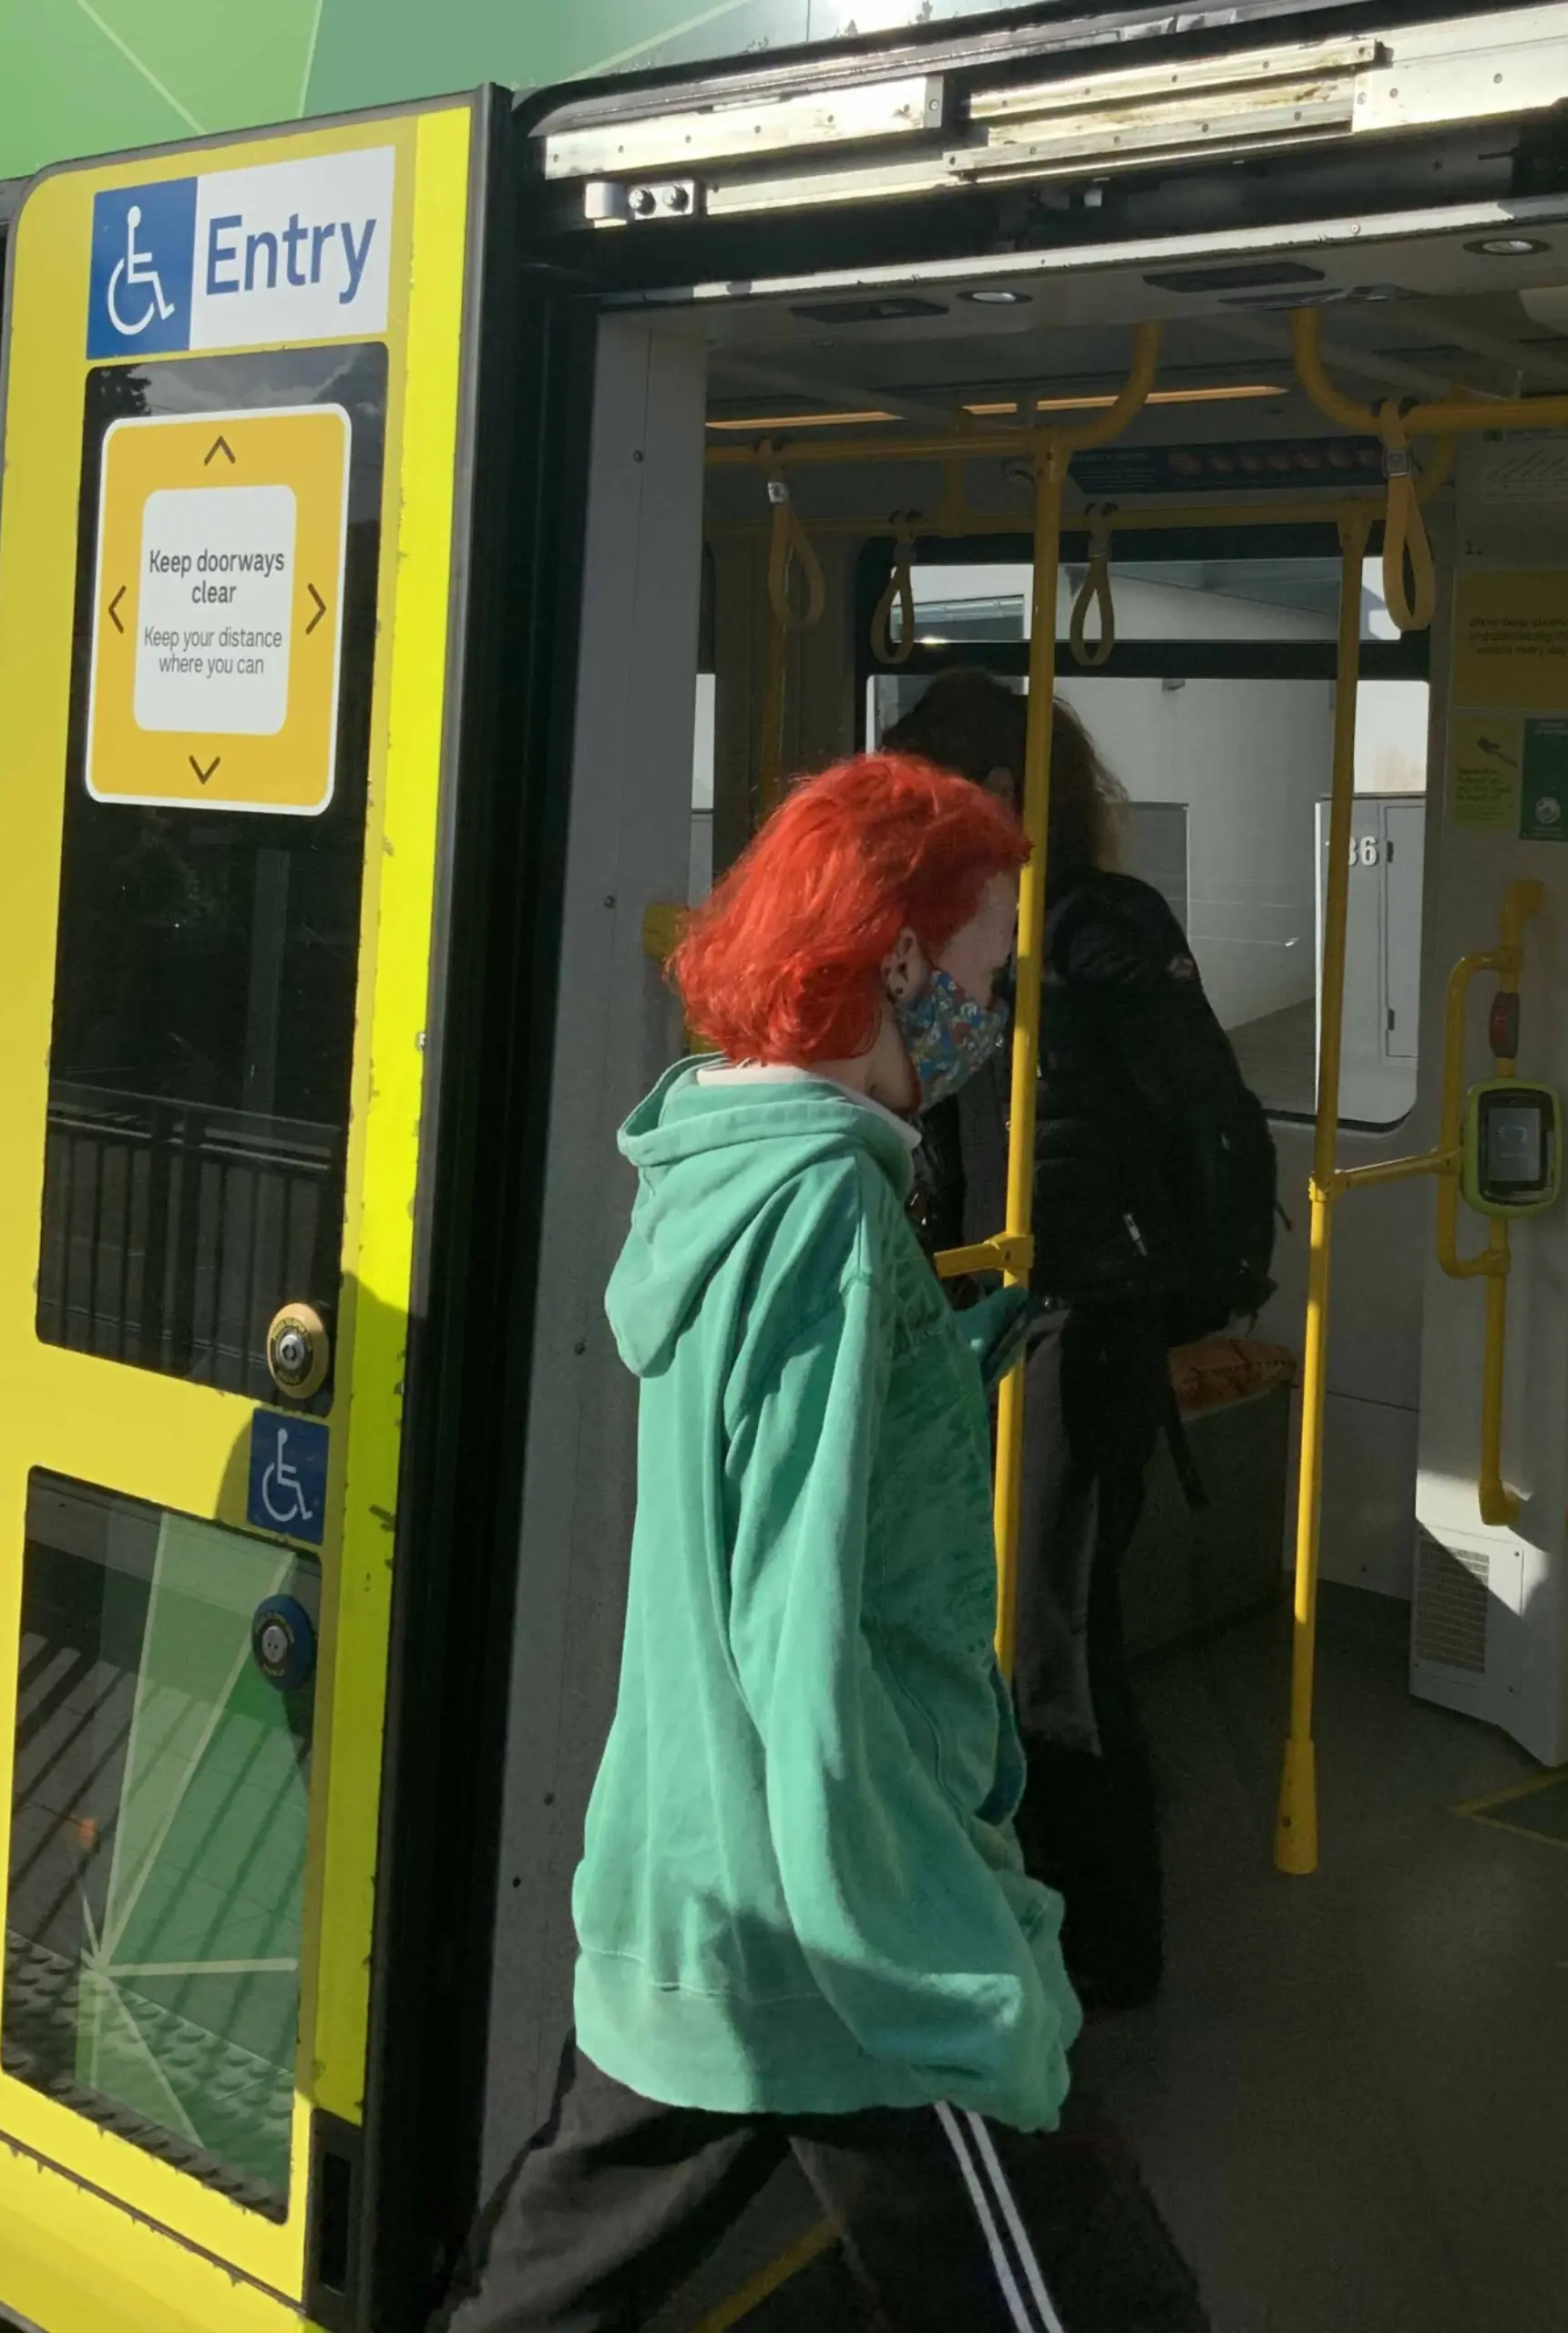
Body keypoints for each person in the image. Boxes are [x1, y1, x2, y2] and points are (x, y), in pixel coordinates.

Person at [441, 753, 1208, 2333]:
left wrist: (947, 1350)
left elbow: (763, 1473)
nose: (991, 1017)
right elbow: (804, 1628)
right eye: (983, 978)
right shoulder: (828, 1224)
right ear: (890, 963)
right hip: (835, 1914)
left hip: (695, 1879)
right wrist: (930, 1954)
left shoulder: (729, 1171)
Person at [882, 673, 1276, 2018]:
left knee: (1050, 1630)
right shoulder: (951, 931)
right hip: (983, 1309)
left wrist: (1178, 1290)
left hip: (1081, 1316)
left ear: (1000, 793)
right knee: (998, 1617)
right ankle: (1021, 1892)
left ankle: (1104, 1943)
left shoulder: (1099, 930)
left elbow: (1201, 1120)